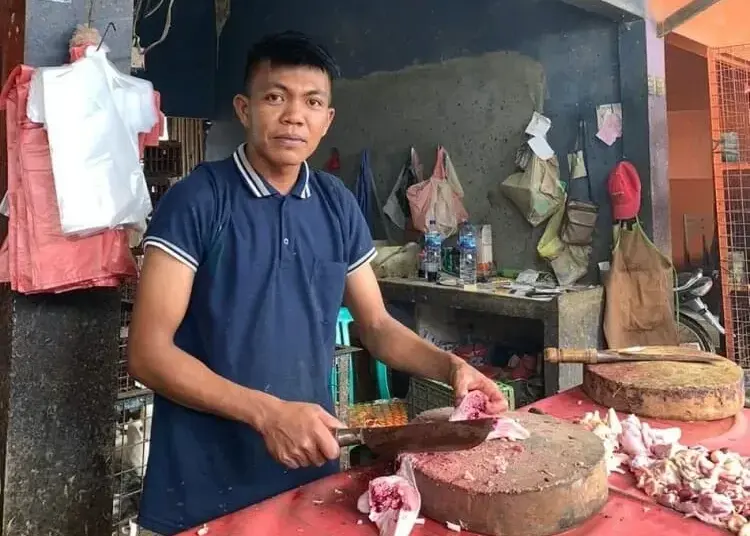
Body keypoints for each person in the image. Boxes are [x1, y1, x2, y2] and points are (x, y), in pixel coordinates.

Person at [128, 30, 507, 536]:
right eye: (275, 97)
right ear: (244, 108)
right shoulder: (197, 201)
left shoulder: (335, 206)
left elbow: (375, 325)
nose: (293, 116)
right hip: (201, 489)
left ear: (327, 120)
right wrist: (266, 414)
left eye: (311, 102)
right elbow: (148, 353)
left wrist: (451, 367)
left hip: (309, 477)